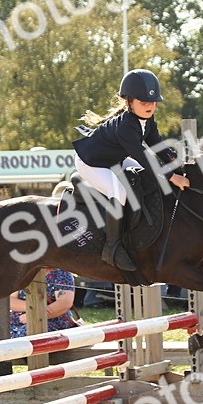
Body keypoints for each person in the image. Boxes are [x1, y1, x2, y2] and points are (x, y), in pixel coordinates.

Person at [71, 69, 190, 271]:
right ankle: (112, 248)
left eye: (152, 102)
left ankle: (137, 230)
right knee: (120, 192)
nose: (149, 106)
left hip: (114, 159)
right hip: (91, 163)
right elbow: (143, 157)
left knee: (143, 178)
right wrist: (171, 176)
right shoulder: (126, 125)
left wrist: (181, 164)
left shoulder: (148, 121)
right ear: (129, 103)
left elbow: (157, 146)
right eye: (143, 102)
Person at [8, 268, 79, 338]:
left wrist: (37, 314)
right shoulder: (22, 273)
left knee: (27, 334)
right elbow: (11, 301)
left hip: (51, 320)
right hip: (17, 320)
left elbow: (64, 302)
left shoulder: (62, 273)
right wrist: (33, 309)